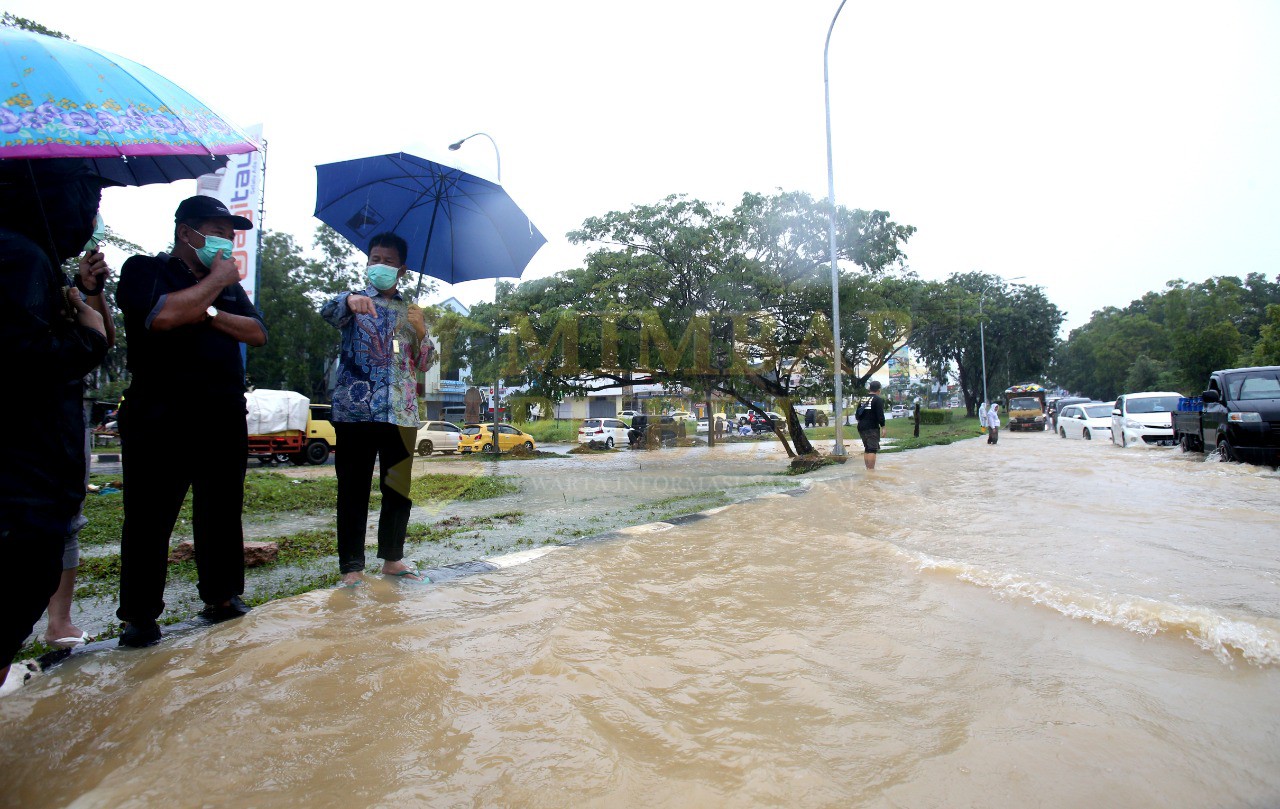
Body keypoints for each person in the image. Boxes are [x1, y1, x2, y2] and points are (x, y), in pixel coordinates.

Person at [114, 196, 267, 648]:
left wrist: (211, 310)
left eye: (230, 234)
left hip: (221, 414)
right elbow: (162, 316)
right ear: (187, 232)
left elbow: (256, 333)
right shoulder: (144, 270)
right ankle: (140, 615)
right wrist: (214, 286)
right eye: (217, 232)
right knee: (148, 517)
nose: (225, 242)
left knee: (220, 511)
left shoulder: (230, 291)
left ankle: (221, 596)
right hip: (159, 415)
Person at [0, 158, 111, 688]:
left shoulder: (35, 259)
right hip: (21, 481)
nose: (91, 221)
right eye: (89, 205)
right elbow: (24, 360)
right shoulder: (17, 256)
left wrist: (86, 301)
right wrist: (86, 337)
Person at [321, 233, 434, 588]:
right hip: (356, 412)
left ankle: (392, 559)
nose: (379, 266)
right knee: (352, 489)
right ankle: (352, 568)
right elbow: (326, 311)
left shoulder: (411, 312)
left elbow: (426, 364)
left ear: (401, 269)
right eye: (374, 259)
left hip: (400, 414)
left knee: (398, 490)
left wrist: (421, 331)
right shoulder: (354, 302)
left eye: (387, 261)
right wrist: (347, 299)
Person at [43, 236, 118, 649]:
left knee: (67, 516)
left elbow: (102, 340)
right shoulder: (21, 261)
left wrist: (90, 293)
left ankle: (60, 624)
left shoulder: (56, 275)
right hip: (34, 413)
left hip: (64, 410)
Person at [855, 380, 887, 470]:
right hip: (872, 427)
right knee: (872, 449)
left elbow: (857, 414)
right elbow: (880, 415)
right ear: (879, 390)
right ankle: (871, 470)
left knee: (867, 448)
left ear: (870, 388)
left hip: (861, 427)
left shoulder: (863, 399)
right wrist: (883, 427)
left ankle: (867, 469)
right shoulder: (878, 399)